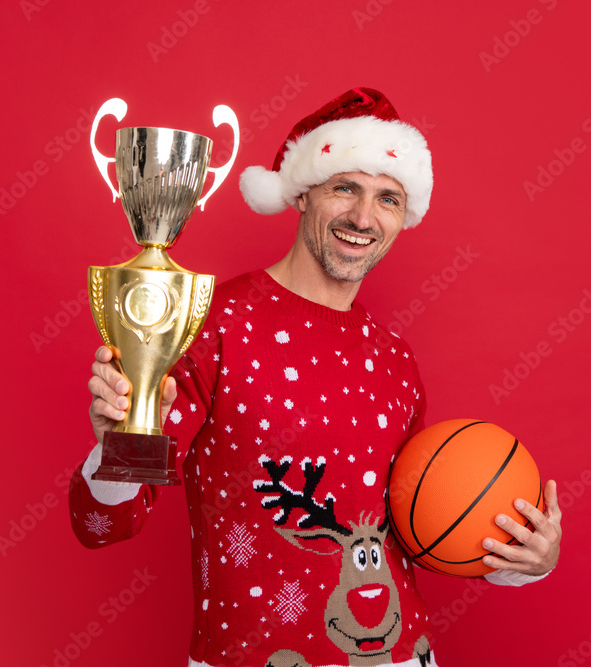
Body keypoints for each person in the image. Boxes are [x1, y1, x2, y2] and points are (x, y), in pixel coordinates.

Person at [71, 88, 562, 667]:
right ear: (303, 193)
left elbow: (419, 528)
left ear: (404, 217)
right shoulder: (211, 326)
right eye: (345, 188)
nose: (363, 217)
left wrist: (522, 560)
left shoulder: (396, 359)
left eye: (388, 198)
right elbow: (102, 524)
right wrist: (115, 445)